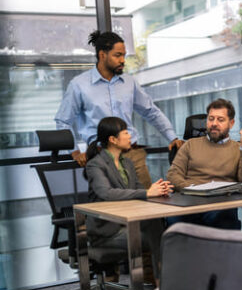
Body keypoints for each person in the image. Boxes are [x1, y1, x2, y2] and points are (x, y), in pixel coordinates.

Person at [55, 30, 183, 188]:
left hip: (133, 154)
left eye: (124, 55)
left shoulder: (129, 83)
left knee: (149, 203)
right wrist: (74, 152)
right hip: (102, 156)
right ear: (102, 55)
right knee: (113, 206)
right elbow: (63, 121)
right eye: (117, 55)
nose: (123, 60)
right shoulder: (79, 85)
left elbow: (151, 112)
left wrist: (172, 137)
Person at [84, 117, 173, 282]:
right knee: (160, 237)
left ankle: (162, 282)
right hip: (106, 232)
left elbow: (138, 190)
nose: (130, 136)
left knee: (158, 227)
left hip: (127, 224)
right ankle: (163, 283)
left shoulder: (128, 163)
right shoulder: (96, 165)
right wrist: (146, 193)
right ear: (113, 140)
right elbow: (107, 193)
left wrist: (157, 190)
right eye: (125, 132)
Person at [166, 98, 242, 229]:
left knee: (223, 216)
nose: (214, 123)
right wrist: (193, 189)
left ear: (231, 123)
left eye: (220, 120)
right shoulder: (190, 145)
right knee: (173, 218)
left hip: (220, 204)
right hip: (189, 202)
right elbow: (173, 175)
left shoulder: (238, 148)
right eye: (211, 119)